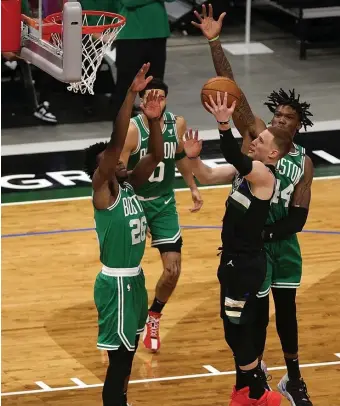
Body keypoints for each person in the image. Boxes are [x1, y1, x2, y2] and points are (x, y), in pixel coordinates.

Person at [192, 5, 314, 406]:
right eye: (275, 114)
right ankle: (250, 378)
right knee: (249, 317)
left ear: (297, 126)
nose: (276, 120)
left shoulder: (301, 163)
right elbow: (231, 91)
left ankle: (292, 380)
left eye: (286, 117)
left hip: (275, 241)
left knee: (286, 313)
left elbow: (298, 215)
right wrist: (214, 41)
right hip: (250, 245)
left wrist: (268, 232)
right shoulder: (258, 140)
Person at [184, 91, 292, 406]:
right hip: (233, 261)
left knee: (234, 330)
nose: (255, 141)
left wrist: (222, 123)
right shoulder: (242, 174)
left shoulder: (263, 175)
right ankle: (249, 390)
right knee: (233, 324)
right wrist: (193, 157)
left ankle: (259, 391)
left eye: (261, 140)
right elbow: (204, 175)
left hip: (245, 265)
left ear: (273, 154)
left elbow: (233, 153)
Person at [83, 63, 164, 406]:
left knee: (128, 357)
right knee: (118, 362)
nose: (118, 160)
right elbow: (117, 142)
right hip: (115, 284)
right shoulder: (103, 191)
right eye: (110, 159)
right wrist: (131, 96)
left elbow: (157, 155)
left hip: (135, 281)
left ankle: (121, 401)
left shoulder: (129, 186)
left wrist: (155, 119)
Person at [120, 77, 203, 352]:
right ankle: (123, 320)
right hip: (134, 202)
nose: (155, 102)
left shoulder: (176, 123)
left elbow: (179, 156)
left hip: (164, 203)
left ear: (166, 100)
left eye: (161, 97)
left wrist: (192, 186)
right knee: (126, 271)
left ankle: (153, 316)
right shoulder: (132, 129)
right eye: (150, 97)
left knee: (173, 270)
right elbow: (118, 172)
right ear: (142, 100)